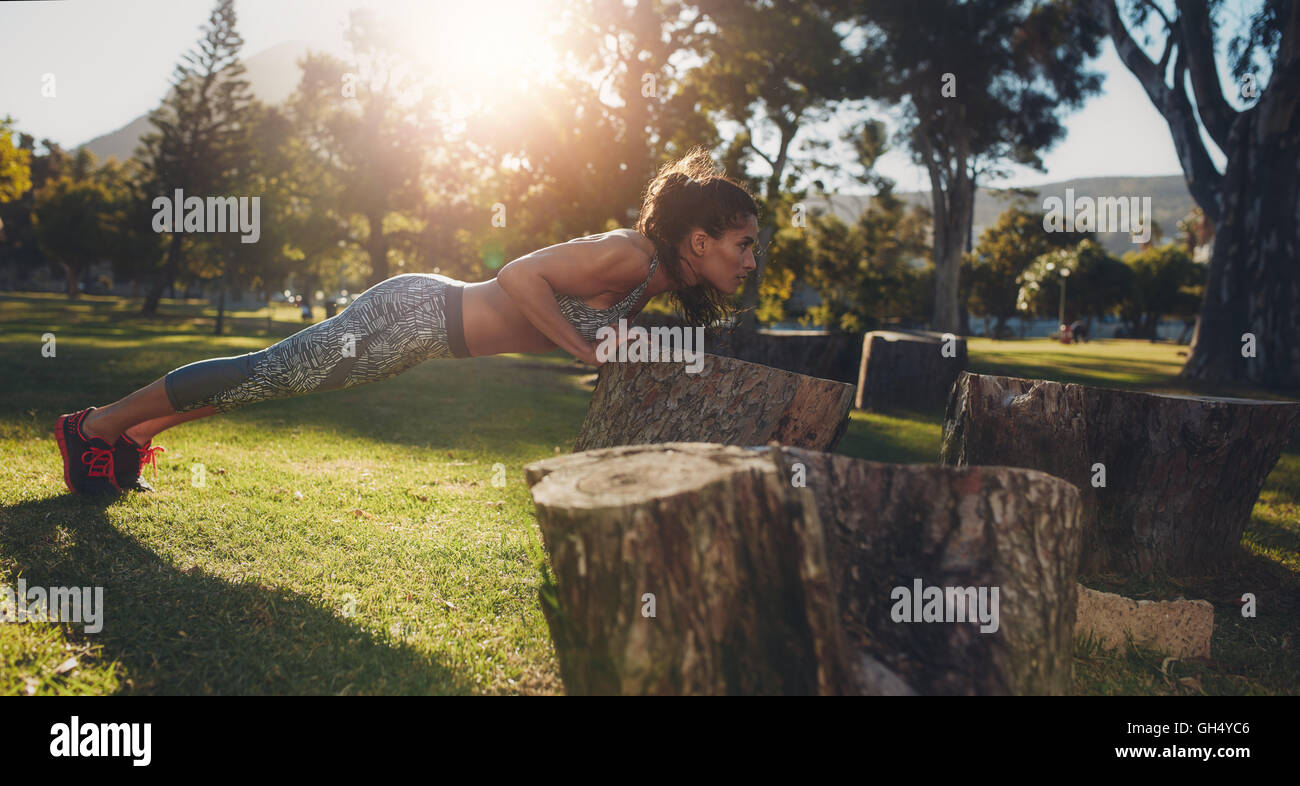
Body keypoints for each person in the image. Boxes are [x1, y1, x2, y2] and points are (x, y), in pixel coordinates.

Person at [54, 147, 760, 494]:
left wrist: (611, 340)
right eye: (743, 245)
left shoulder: (650, 280)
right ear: (700, 240)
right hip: (415, 313)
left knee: (279, 382)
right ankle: (91, 427)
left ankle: (132, 433)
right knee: (267, 370)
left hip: (423, 337)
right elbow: (517, 276)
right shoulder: (626, 256)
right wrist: (581, 346)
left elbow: (570, 315)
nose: (751, 260)